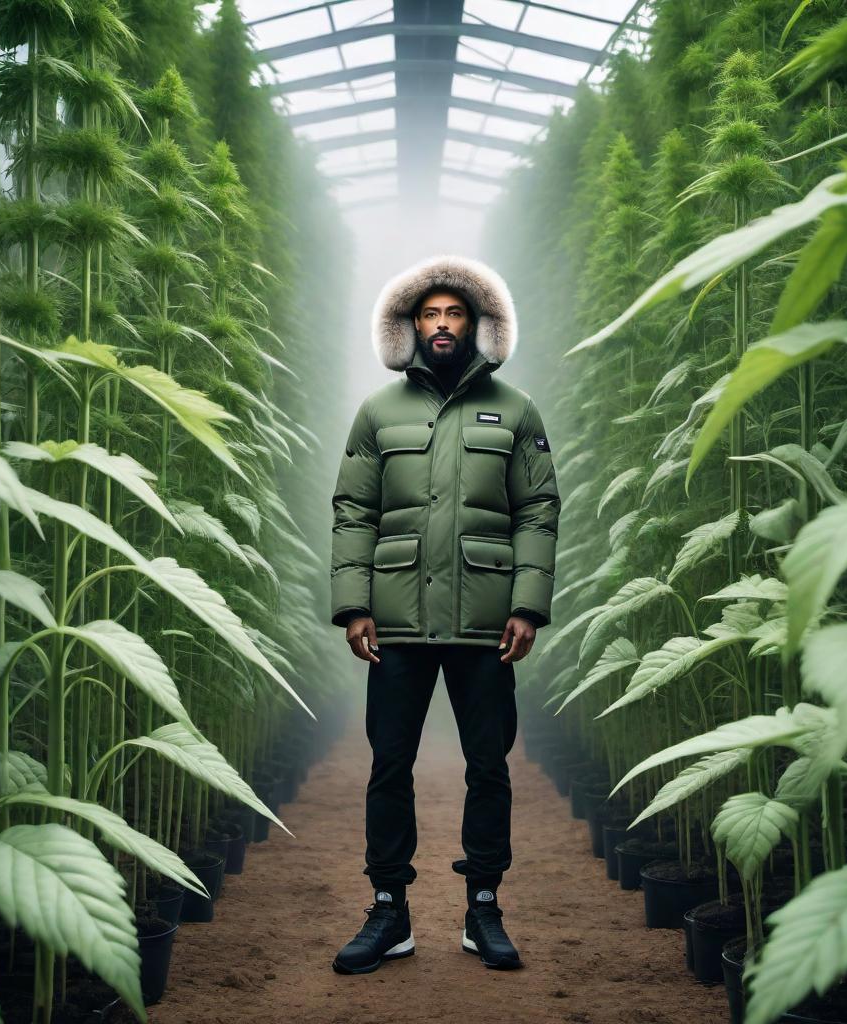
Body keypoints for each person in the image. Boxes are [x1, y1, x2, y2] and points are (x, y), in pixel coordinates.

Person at [328, 253, 561, 975]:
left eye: (454, 314)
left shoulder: (517, 411)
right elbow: (353, 510)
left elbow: (538, 510)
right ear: (409, 325)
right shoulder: (377, 413)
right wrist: (353, 605)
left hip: (485, 624)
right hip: (396, 621)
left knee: (488, 766)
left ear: (477, 324)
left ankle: (484, 908)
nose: (441, 325)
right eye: (428, 314)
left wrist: (527, 604)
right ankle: (388, 911)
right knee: (388, 764)